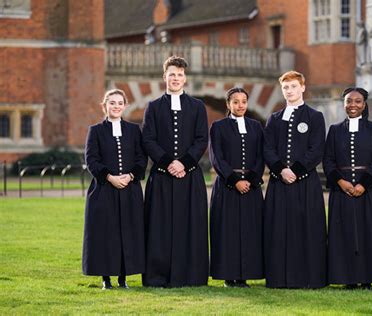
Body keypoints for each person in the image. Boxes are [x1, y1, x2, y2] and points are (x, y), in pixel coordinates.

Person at [141, 56, 209, 287]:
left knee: (190, 226)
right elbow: (148, 139)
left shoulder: (197, 107)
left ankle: (191, 276)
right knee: (159, 227)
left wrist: (184, 163)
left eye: (180, 75)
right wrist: (169, 162)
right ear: (165, 77)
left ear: (185, 78)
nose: (176, 79)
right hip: (161, 176)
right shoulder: (153, 107)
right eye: (172, 75)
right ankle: (158, 276)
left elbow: (202, 139)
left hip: (189, 176)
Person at [323, 87, 372, 289]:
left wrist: (363, 184)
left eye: (357, 101)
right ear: (344, 104)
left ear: (364, 104)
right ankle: (348, 279)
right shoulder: (335, 130)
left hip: (369, 191)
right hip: (342, 191)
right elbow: (328, 160)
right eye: (348, 101)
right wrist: (341, 182)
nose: (352, 105)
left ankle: (367, 279)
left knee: (369, 233)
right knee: (344, 233)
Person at [263, 71, 327, 288]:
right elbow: (268, 148)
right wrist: (281, 170)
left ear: (302, 87)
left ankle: (308, 278)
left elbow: (317, 149)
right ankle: (279, 278)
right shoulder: (274, 118)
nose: (289, 91)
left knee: (306, 229)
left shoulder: (315, 117)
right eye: (286, 88)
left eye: (293, 86)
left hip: (305, 182)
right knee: (278, 230)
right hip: (279, 182)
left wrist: (296, 171)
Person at [82, 89, 147, 290]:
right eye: (112, 103)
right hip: (103, 190)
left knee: (127, 233)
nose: (116, 106)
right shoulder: (96, 130)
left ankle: (123, 278)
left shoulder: (134, 130)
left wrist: (130, 176)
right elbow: (91, 159)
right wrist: (110, 177)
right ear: (105, 106)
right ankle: (106, 279)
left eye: (120, 103)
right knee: (106, 234)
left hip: (129, 190)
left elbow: (141, 157)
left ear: (125, 106)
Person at [209, 87, 265, 288]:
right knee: (227, 231)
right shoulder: (218, 126)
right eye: (235, 102)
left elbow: (261, 156)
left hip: (251, 187)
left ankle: (244, 275)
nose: (240, 105)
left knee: (250, 231)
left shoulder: (256, 126)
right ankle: (228, 275)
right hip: (227, 186)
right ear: (228, 104)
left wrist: (250, 179)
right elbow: (217, 157)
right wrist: (235, 180)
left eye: (243, 101)